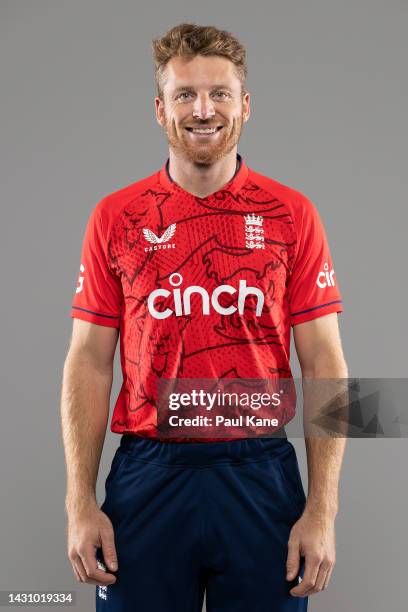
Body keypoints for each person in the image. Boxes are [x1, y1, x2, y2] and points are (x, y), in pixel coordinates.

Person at [61, 22, 348, 612]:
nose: (203, 109)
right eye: (185, 94)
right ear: (159, 110)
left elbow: (325, 361)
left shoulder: (292, 214)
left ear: (244, 105)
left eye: (219, 93)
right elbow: (88, 362)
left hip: (260, 471)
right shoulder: (116, 216)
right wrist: (78, 503)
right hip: (148, 473)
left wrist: (322, 511)